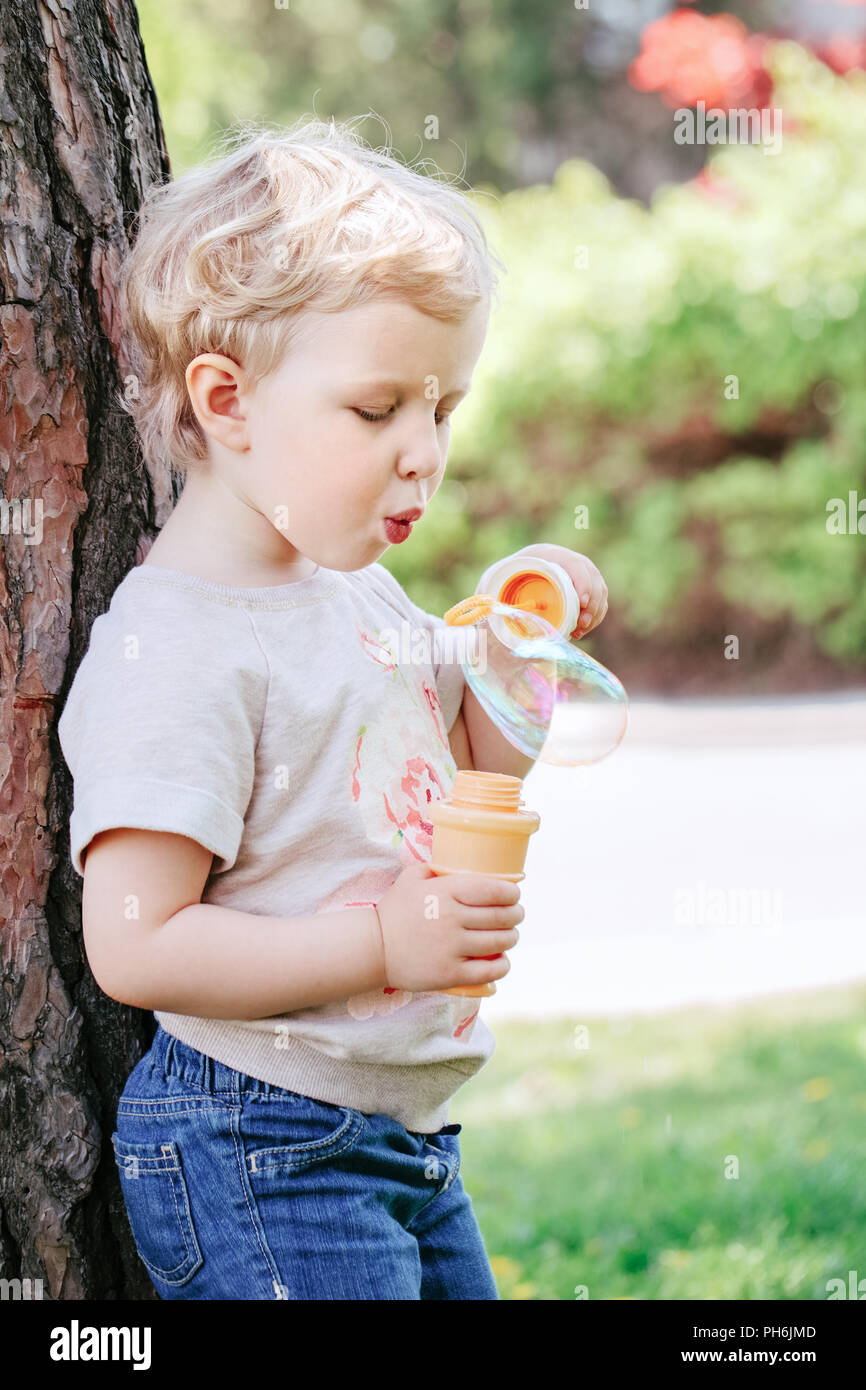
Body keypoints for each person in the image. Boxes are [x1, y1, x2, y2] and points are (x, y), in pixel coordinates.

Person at [58, 115, 608, 1300]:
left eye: (442, 410)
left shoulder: (353, 585)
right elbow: (134, 941)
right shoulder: (179, 649)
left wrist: (517, 652)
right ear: (229, 400)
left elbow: (474, 776)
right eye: (376, 412)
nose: (423, 455)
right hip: (260, 1144)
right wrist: (381, 944)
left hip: (399, 1136)